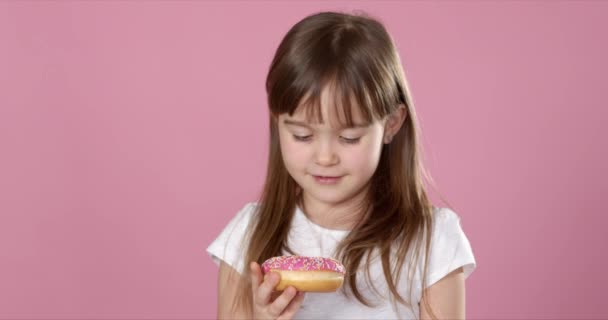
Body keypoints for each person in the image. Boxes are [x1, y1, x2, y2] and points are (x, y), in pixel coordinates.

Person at [206, 10, 476, 320]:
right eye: (302, 135)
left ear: (391, 124)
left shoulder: (432, 241)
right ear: (278, 123)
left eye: (348, 138)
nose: (325, 157)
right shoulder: (248, 236)